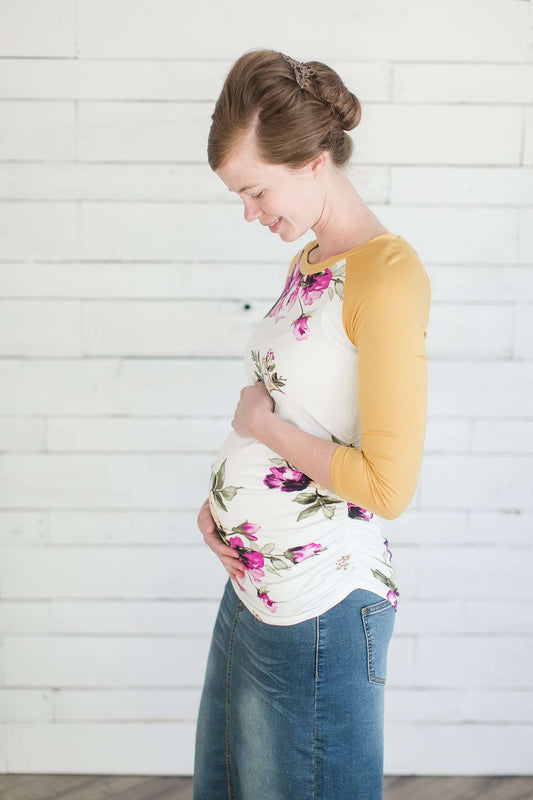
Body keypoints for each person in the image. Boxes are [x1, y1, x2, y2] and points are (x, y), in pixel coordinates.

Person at [192, 48, 431, 800]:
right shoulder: (309, 262)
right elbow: (290, 400)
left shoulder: (386, 276)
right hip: (256, 583)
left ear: (313, 161)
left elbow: (386, 486)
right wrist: (222, 508)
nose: (249, 212)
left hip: (321, 605)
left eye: (256, 190)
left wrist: (257, 432)